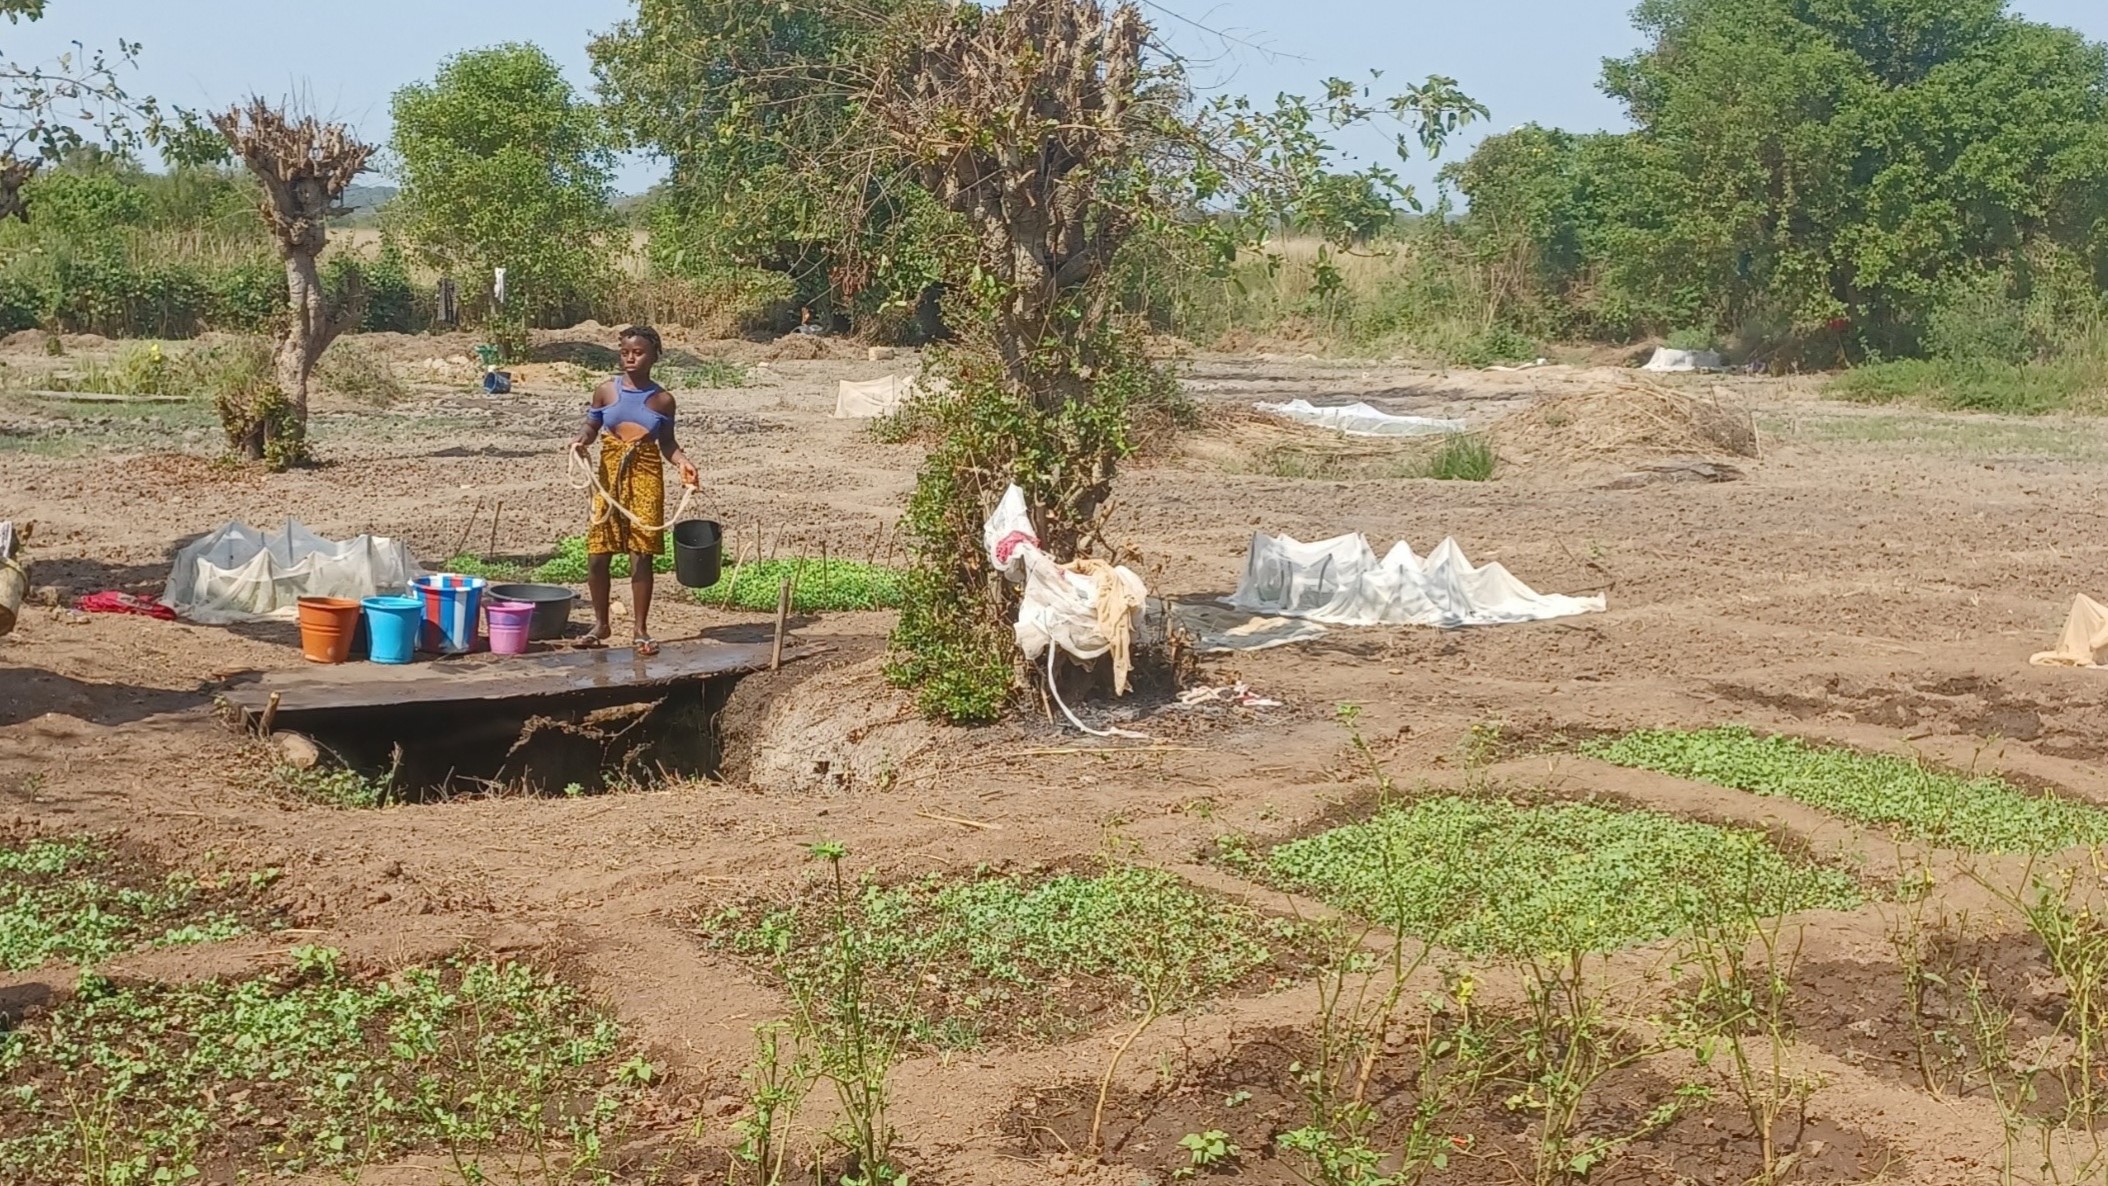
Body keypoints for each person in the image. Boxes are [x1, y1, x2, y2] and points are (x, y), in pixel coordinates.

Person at [570, 325, 698, 656]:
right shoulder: (605, 391)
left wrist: (683, 463)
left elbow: (667, 444)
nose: (630, 358)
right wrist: (582, 442)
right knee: (598, 554)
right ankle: (601, 624)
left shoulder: (663, 400)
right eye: (625, 352)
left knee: (641, 554)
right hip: (609, 475)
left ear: (654, 356)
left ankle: (640, 630)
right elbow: (592, 425)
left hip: (645, 474)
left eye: (638, 352)